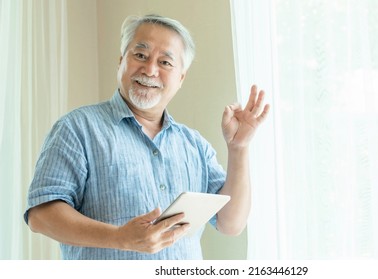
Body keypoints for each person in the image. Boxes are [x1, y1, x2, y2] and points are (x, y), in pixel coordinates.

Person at [23, 14, 269, 260]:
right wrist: (120, 237)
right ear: (121, 61)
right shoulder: (77, 128)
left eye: (165, 62)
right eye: (140, 55)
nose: (150, 70)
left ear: (181, 78)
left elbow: (231, 224)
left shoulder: (194, 145)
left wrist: (239, 147)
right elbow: (41, 216)